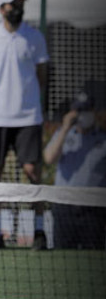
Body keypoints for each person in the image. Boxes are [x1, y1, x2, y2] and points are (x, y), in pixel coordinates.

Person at [0, 0, 49, 250]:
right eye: (12, 4)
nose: (17, 8)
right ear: (1, 9)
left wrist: (29, 103)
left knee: (32, 171)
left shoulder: (35, 37)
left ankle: (40, 231)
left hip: (28, 118)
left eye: (20, 3)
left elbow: (41, 75)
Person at [43, 91, 106, 249]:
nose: (82, 115)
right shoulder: (62, 135)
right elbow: (49, 158)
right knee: (63, 256)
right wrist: (64, 128)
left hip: (94, 209)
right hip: (65, 206)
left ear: (93, 111)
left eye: (86, 110)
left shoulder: (103, 139)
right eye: (78, 111)